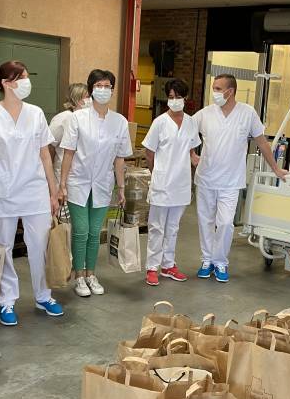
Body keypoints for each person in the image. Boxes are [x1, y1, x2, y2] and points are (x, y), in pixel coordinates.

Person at [0, 60, 62, 327]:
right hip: (1, 192)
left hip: (35, 191)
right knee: (4, 248)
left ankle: (43, 296)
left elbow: (45, 156)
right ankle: (6, 300)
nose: (27, 82)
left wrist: (53, 192)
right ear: (6, 83)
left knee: (40, 247)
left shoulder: (36, 113)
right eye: (22, 78)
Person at [193, 73, 287, 282]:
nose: (214, 92)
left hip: (231, 181)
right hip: (206, 178)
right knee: (205, 221)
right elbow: (187, 134)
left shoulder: (247, 113)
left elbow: (262, 142)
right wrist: (192, 155)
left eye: (218, 89)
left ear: (230, 91)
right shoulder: (205, 114)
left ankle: (220, 261)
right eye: (214, 88)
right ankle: (207, 260)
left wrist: (276, 169)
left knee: (225, 223)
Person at [59, 69, 132, 297]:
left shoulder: (119, 122)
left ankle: (91, 273)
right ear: (91, 89)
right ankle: (79, 276)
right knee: (81, 231)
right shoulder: (77, 118)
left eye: (107, 86)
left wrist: (121, 188)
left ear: (112, 89)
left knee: (94, 232)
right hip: (77, 182)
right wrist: (62, 184)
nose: (103, 90)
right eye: (99, 86)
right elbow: (68, 153)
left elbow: (119, 158)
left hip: (102, 184)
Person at [142, 78, 201, 286]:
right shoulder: (160, 122)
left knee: (173, 227)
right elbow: (149, 153)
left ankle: (168, 265)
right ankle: (152, 267)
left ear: (185, 98)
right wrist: (156, 174)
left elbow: (191, 150)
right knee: (156, 227)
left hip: (181, 183)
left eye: (178, 97)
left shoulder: (191, 122)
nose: (174, 100)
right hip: (162, 183)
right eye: (171, 97)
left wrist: (197, 160)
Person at [48, 83, 89, 185]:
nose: (90, 100)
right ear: (77, 99)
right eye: (87, 97)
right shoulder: (64, 118)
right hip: (62, 178)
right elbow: (49, 146)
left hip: (80, 178)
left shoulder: (87, 119)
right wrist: (49, 177)